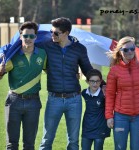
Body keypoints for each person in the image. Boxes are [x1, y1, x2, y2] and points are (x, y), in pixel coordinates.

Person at [39, 17, 94, 150]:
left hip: (74, 100)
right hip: (54, 99)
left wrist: (102, 84)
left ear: (66, 33)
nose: (52, 35)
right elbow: (26, 42)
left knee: (74, 141)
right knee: (46, 140)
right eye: (52, 32)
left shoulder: (79, 48)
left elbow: (88, 69)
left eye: (56, 33)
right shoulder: (46, 45)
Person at [0, 21, 47, 150]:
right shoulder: (12, 55)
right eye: (25, 36)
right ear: (20, 36)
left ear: (36, 37)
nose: (28, 39)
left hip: (34, 102)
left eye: (31, 36)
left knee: (29, 145)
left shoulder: (42, 54)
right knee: (12, 144)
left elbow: (50, 71)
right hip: (14, 101)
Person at [105, 36, 139, 150]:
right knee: (120, 148)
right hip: (121, 116)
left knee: (136, 148)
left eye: (132, 48)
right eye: (126, 50)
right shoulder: (114, 70)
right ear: (120, 51)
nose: (130, 52)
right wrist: (109, 116)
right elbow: (110, 95)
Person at [81, 69, 110, 150]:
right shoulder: (84, 93)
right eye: (92, 81)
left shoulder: (104, 94)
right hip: (87, 128)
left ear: (101, 82)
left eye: (97, 81)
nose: (95, 83)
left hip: (100, 129)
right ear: (87, 81)